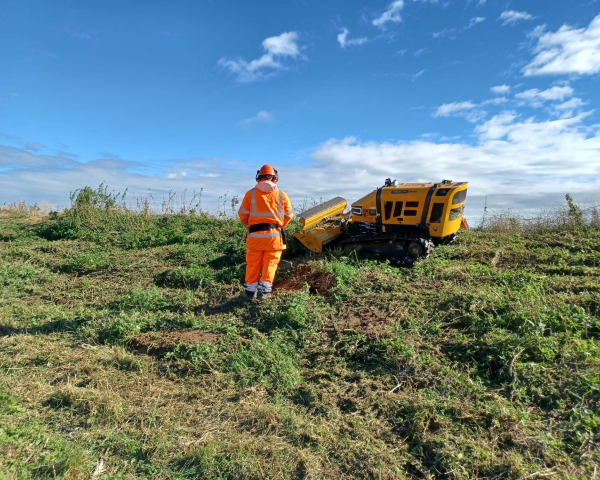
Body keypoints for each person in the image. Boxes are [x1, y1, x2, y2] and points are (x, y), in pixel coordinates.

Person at [237, 165, 293, 300]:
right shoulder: (282, 194)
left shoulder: (250, 194)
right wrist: (278, 227)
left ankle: (250, 292)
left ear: (258, 177)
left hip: (255, 238)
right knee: (270, 264)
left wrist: (250, 228)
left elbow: (242, 214)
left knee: (253, 264)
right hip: (274, 239)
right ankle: (264, 292)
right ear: (275, 177)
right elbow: (289, 215)